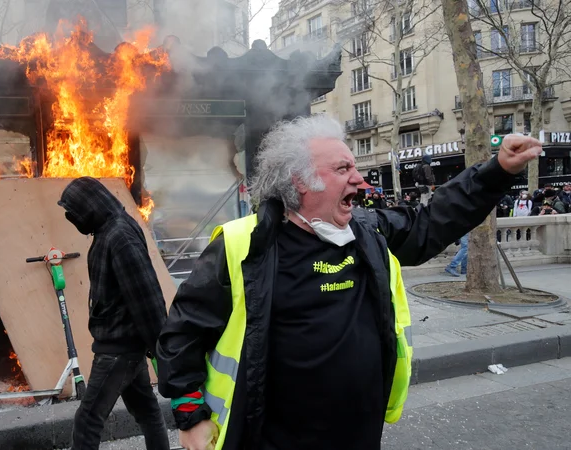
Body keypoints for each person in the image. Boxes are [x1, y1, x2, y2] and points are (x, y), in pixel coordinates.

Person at [155, 115, 541, 450]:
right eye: (343, 169)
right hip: (270, 439)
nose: (359, 179)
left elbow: (431, 222)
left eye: (354, 168)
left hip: (358, 433)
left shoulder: (367, 231)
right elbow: (181, 334)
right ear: (301, 182)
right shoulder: (242, 244)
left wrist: (497, 171)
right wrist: (190, 415)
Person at [58, 177, 170, 450]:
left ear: (90, 207)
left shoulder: (118, 236)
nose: (71, 218)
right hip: (123, 343)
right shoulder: (108, 229)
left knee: (87, 421)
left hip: (118, 350)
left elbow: (147, 297)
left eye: (74, 211)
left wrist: (163, 350)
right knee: (147, 413)